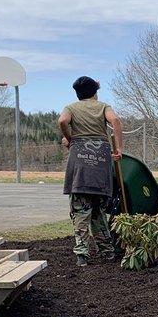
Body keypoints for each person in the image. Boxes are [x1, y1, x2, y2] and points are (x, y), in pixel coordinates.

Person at [59, 76, 123, 266]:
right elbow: (116, 120)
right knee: (99, 212)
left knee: (80, 212)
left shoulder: (71, 108)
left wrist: (69, 139)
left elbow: (63, 120)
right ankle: (108, 252)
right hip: (101, 165)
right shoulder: (103, 106)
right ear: (95, 91)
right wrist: (118, 148)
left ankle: (82, 255)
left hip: (79, 167)